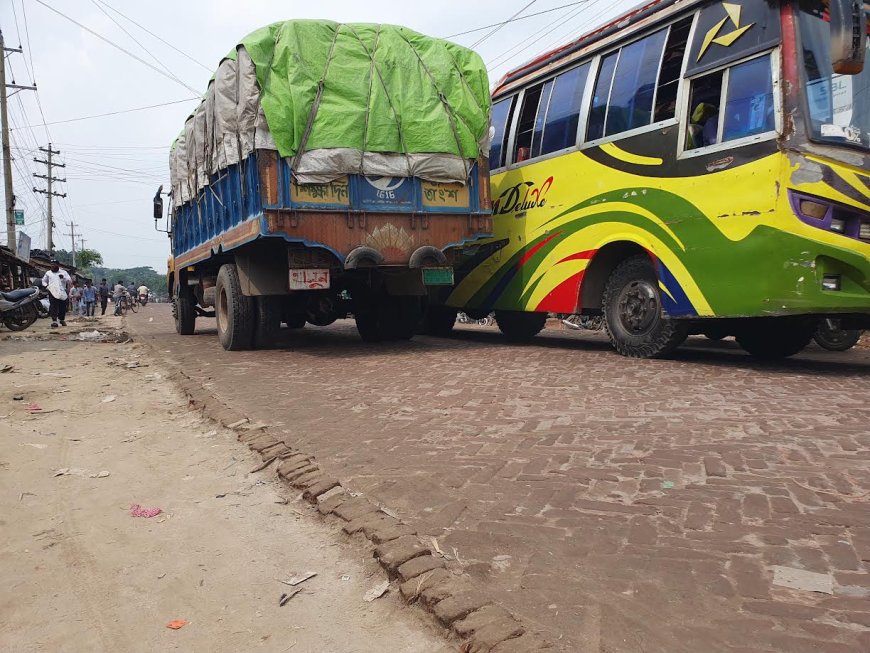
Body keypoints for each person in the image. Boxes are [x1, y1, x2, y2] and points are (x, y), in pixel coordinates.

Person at [41, 260, 71, 328]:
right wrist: (46, 286)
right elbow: (44, 281)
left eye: (54, 264)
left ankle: (62, 319)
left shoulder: (63, 272)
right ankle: (54, 321)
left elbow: (69, 280)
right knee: (53, 306)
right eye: (51, 264)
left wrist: (63, 277)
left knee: (62, 307)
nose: (52, 266)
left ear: (58, 265)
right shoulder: (48, 273)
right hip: (52, 291)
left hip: (61, 291)